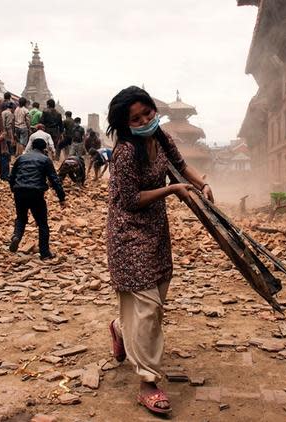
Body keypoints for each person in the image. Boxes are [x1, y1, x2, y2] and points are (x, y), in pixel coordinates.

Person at [106, 86, 214, 416]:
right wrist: (172, 190)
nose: (144, 121)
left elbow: (180, 166)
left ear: (155, 110)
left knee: (156, 300)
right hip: (128, 234)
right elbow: (130, 200)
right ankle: (147, 383)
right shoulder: (124, 153)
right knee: (148, 307)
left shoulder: (162, 137)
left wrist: (201, 183)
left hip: (156, 232)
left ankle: (120, 329)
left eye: (147, 113)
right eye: (135, 118)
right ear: (125, 124)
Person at [8, 138, 66, 259]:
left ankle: (16, 236)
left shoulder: (21, 158)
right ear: (44, 148)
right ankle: (44, 253)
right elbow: (54, 180)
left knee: (21, 218)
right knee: (42, 223)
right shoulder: (45, 160)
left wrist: (14, 189)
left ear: (32, 146)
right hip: (36, 193)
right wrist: (61, 198)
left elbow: (12, 176)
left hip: (19, 191)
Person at [0, 102, 15, 180]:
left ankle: (2, 174)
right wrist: (12, 138)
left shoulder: (2, 112)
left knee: (1, 156)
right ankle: (5, 175)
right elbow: (9, 127)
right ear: (12, 108)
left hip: (0, 136)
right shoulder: (10, 114)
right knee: (6, 155)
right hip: (6, 137)